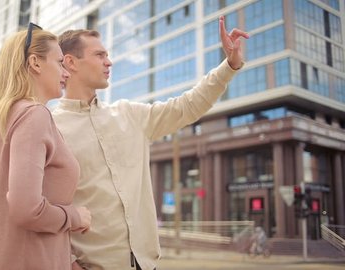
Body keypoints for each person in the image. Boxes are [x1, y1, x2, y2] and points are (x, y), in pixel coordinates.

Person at [52, 16, 249, 270]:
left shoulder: (130, 115)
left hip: (147, 265)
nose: (109, 61)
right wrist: (67, 262)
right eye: (100, 55)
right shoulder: (51, 128)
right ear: (70, 62)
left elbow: (187, 106)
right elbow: (44, 206)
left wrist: (229, 65)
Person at [0, 23, 91, 270]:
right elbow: (27, 210)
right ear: (36, 63)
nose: (66, 73)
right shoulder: (34, 116)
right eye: (60, 62)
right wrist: (75, 216)